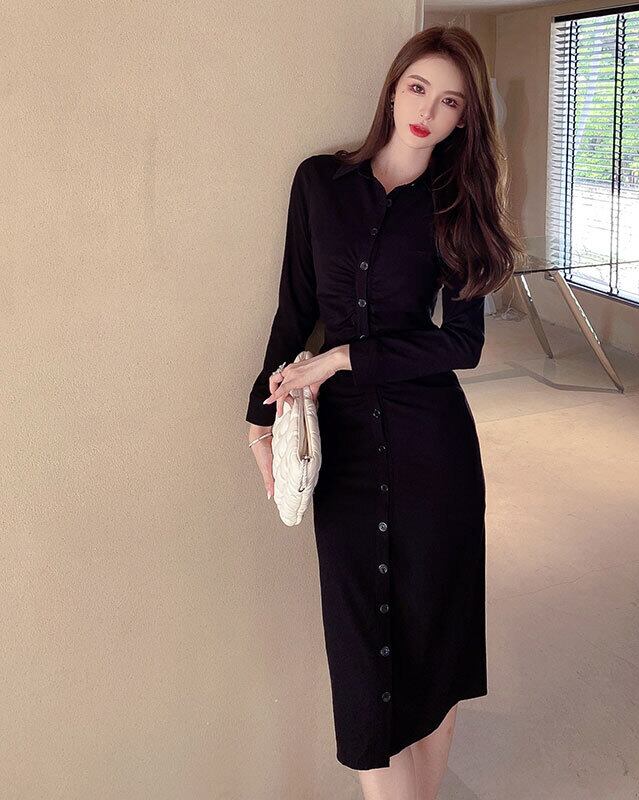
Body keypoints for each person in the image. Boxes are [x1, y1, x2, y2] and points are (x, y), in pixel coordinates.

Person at [245, 24, 524, 800]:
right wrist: (258, 417)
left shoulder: (457, 207)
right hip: (346, 455)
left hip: (434, 449)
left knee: (433, 641)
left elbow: (461, 344)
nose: (427, 111)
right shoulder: (319, 183)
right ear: (393, 89)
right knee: (363, 651)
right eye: (417, 89)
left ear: (465, 119)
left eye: (450, 102)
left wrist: (342, 359)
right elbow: (295, 309)